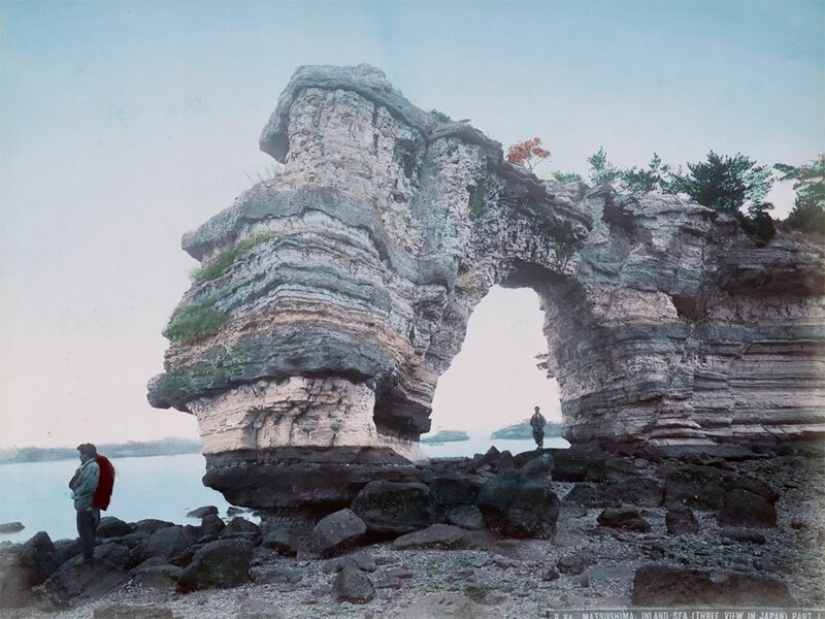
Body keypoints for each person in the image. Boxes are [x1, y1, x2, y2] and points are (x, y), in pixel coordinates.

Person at [69, 443, 101, 562]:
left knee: (85, 532)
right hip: (89, 504)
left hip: (87, 505)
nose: (80, 457)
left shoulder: (91, 467)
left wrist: (77, 491)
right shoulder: (88, 466)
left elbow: (89, 486)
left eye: (81, 454)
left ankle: (88, 559)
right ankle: (88, 556)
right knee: (88, 531)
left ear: (86, 455)